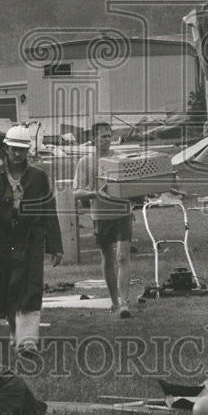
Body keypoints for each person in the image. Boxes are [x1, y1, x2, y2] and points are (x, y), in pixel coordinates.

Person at [0, 124, 63, 358]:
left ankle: (27, 342)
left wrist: (55, 246)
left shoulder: (38, 177)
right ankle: (16, 333)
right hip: (2, 239)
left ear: (28, 151)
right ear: (6, 148)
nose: (18, 154)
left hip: (31, 237)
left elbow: (49, 209)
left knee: (31, 287)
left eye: (22, 150)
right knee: (7, 288)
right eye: (14, 149)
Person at [73, 121, 134, 319]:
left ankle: (124, 303)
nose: (107, 140)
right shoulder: (85, 163)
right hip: (100, 216)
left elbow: (134, 184)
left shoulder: (121, 159)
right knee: (108, 258)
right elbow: (76, 192)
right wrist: (94, 194)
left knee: (123, 256)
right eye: (103, 136)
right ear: (93, 139)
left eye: (109, 136)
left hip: (123, 214)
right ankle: (115, 301)